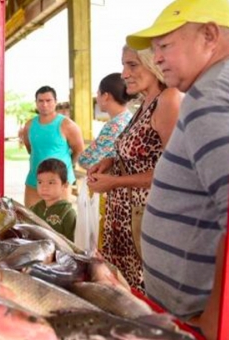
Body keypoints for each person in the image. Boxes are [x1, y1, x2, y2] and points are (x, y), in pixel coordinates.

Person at [126, 0, 229, 338]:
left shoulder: (208, 98)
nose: (158, 58)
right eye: (154, 50)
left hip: (198, 320)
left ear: (209, 35)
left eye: (165, 45)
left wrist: (223, 318)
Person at [87, 47, 181, 291]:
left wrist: (115, 182)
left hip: (144, 214)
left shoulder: (168, 99)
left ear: (153, 64)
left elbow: (172, 172)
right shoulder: (143, 103)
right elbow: (141, 154)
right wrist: (112, 161)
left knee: (142, 291)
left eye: (132, 65)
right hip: (124, 217)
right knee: (121, 290)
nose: (124, 74)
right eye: (123, 65)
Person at [21, 86, 84, 207]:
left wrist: (62, 166)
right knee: (32, 219)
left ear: (55, 101)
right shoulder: (29, 125)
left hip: (59, 181)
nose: (44, 104)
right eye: (41, 101)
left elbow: (79, 150)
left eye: (48, 100)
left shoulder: (67, 125)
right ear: (36, 103)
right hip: (34, 180)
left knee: (57, 221)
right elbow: (30, 149)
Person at [78, 73, 134, 169]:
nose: (97, 98)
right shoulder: (130, 118)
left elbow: (87, 160)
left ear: (105, 96)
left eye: (98, 94)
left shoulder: (114, 126)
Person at [29, 158, 76, 241]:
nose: (44, 187)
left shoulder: (67, 213)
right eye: (40, 182)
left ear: (64, 185)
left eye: (51, 182)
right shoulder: (34, 209)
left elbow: (73, 244)